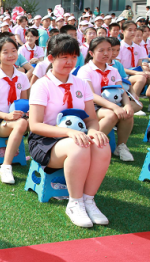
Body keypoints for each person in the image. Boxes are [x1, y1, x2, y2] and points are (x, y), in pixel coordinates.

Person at [28, 34, 111, 228]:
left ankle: (88, 199)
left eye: (73, 57)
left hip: (76, 136)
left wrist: (93, 131)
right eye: (64, 57)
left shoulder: (80, 83)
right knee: (78, 146)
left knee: (102, 144)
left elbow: (91, 119)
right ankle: (74, 202)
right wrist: (69, 133)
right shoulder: (42, 85)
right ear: (51, 58)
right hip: (45, 141)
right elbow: (35, 125)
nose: (69, 62)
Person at [0, 36, 30, 184]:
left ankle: (43, 159)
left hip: (15, 118)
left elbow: (24, 102)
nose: (10, 55)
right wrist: (6, 116)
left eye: (14, 51)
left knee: (38, 121)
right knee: (21, 124)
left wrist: (26, 113)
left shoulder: (22, 77)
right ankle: (6, 166)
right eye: (5, 52)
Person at [77, 37, 135, 162]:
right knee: (111, 114)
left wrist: (127, 105)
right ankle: (90, 147)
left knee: (127, 113)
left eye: (109, 49)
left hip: (109, 105)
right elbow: (91, 95)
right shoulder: (85, 70)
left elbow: (121, 91)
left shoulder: (113, 70)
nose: (106, 53)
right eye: (101, 50)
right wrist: (114, 107)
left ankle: (121, 146)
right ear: (91, 53)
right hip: (90, 107)